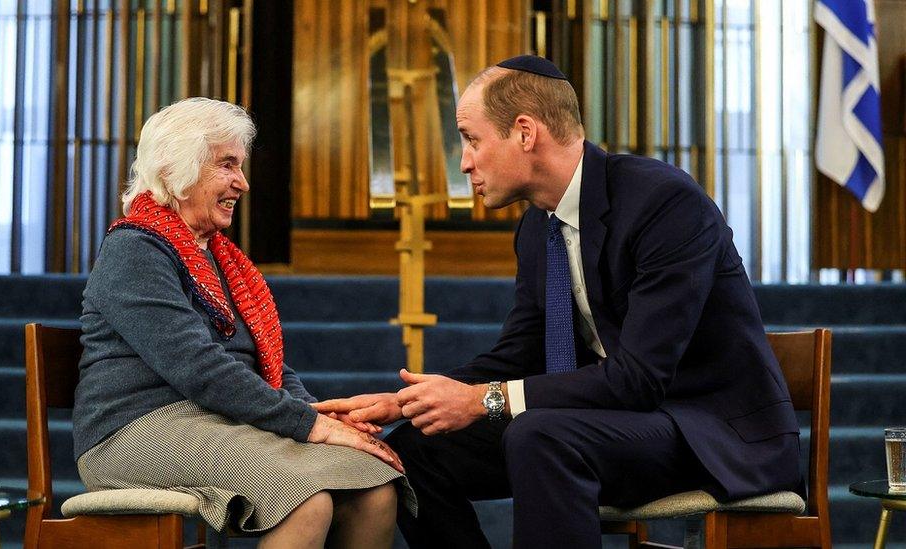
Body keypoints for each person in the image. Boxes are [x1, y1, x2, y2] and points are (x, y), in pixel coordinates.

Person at [313, 56, 802, 547]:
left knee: (541, 435)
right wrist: (404, 404)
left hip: (707, 432)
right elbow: (518, 355)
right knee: (416, 451)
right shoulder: (536, 228)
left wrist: (484, 401)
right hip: (611, 425)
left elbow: (640, 379)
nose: (464, 162)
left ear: (525, 133)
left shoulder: (664, 202)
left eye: (472, 138)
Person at [73, 97, 414, 548]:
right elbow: (201, 369)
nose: (243, 183)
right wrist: (307, 425)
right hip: (134, 430)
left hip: (213, 418)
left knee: (373, 486)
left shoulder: (220, 258)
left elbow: (263, 362)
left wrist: (314, 411)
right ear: (178, 170)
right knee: (305, 498)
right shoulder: (134, 250)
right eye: (227, 165)